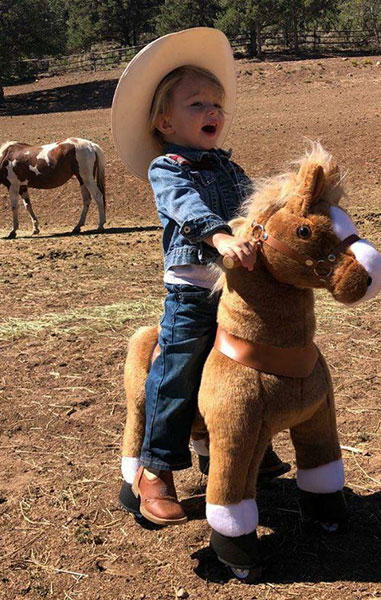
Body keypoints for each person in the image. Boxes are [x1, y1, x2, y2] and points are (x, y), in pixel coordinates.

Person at [111, 28, 289, 527]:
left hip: (237, 291)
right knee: (179, 371)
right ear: (165, 120)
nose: (213, 111)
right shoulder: (167, 168)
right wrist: (220, 236)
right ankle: (156, 470)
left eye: (217, 103)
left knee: (252, 368)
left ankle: (241, 448)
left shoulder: (230, 168)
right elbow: (184, 207)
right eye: (197, 104)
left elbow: (258, 207)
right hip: (194, 290)